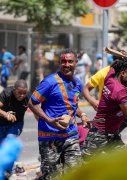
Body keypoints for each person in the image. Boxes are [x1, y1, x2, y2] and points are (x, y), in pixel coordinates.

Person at [28, 48, 89, 180]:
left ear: (76, 62)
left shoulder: (78, 83)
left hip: (71, 135)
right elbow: (32, 103)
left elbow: (72, 105)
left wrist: (82, 114)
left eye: (70, 61)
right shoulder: (49, 82)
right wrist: (48, 120)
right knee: (52, 176)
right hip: (50, 138)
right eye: (63, 61)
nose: (66, 64)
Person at [83, 52, 127, 145]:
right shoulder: (105, 74)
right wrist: (92, 101)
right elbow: (85, 88)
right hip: (111, 113)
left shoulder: (126, 73)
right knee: (107, 135)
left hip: (125, 108)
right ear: (122, 72)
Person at [0, 80, 29, 149]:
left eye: (24, 93)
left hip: (16, 124)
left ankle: (10, 159)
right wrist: (5, 114)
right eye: (19, 92)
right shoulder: (7, 93)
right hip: (1, 123)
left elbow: (36, 108)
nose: (22, 95)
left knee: (9, 141)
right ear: (14, 90)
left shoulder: (28, 97)